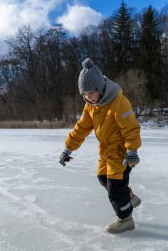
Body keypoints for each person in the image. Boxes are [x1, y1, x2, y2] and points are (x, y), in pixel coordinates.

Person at [59, 58, 142, 234]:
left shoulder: (119, 102)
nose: (88, 98)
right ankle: (129, 197)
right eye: (85, 95)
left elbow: (131, 128)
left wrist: (132, 150)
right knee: (102, 178)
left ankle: (126, 219)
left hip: (121, 152)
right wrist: (68, 148)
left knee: (114, 188)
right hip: (106, 151)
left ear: (100, 88)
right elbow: (81, 128)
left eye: (91, 93)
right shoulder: (90, 106)